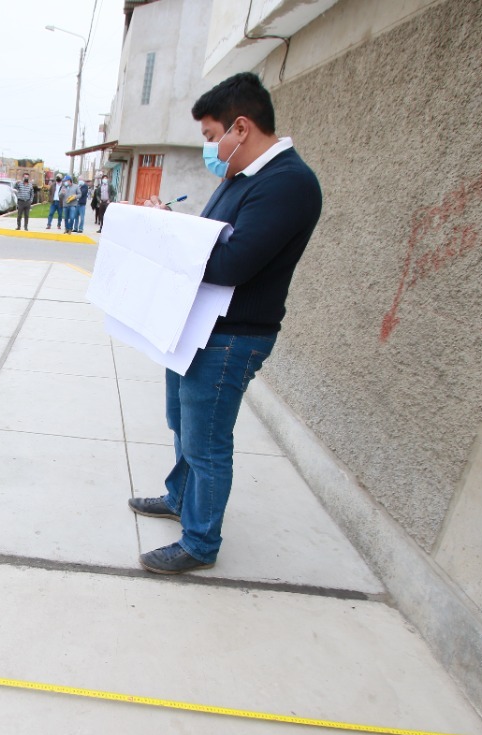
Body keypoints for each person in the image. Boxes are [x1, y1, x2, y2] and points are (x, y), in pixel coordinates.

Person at [129, 72, 322, 574]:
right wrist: (171, 224)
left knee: (207, 441)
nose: (210, 150)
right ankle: (180, 498)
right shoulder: (241, 178)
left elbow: (232, 263)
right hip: (198, 327)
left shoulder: (287, 183)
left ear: (241, 127)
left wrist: (169, 239)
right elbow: (212, 238)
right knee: (182, 423)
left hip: (232, 336)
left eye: (212, 136)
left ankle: (200, 542)